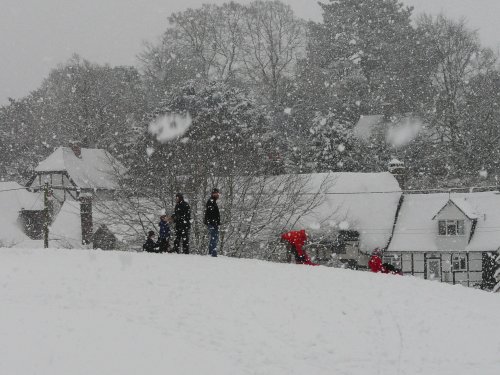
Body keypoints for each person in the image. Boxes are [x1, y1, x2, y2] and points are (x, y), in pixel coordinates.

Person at [204, 188, 221, 257]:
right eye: (216, 193)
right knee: (214, 238)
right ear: (213, 194)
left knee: (213, 238)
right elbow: (211, 214)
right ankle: (213, 253)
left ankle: (212, 252)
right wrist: (214, 223)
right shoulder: (211, 201)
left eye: (217, 193)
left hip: (212, 223)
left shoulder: (212, 201)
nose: (217, 195)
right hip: (212, 223)